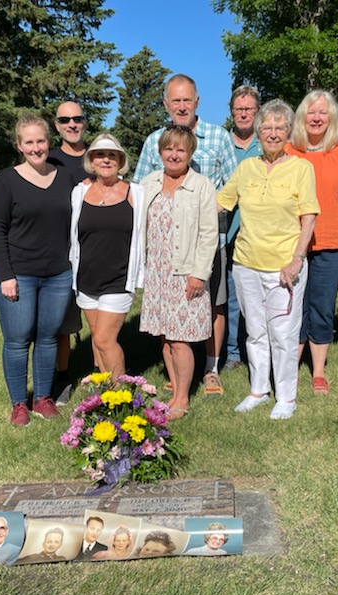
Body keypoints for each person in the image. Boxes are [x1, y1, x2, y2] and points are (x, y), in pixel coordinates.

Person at [134, 73, 238, 398]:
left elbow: (233, 187)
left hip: (209, 242)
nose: (181, 106)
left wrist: (208, 211)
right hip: (163, 257)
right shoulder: (154, 141)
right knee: (169, 324)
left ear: (197, 102)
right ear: (166, 103)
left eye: (186, 100)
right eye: (175, 100)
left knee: (213, 306)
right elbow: (137, 192)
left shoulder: (218, 137)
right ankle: (178, 376)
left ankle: (210, 369)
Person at [217, 99, 319, 420]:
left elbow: (309, 217)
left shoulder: (301, 168)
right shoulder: (246, 168)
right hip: (246, 263)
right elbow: (220, 203)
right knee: (255, 332)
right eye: (267, 127)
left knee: (284, 334)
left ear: (289, 132)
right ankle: (258, 391)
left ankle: (286, 397)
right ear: (258, 131)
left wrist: (297, 259)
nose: (273, 133)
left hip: (284, 267)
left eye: (279, 128)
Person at [0, 113, 75, 427]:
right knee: (17, 340)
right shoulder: (7, 180)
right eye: (29, 142)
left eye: (40, 141)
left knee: (48, 337)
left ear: (49, 142)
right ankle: (18, 403)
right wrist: (6, 275)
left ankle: (42, 398)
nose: (36, 147)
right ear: (19, 145)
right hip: (18, 273)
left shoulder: (65, 178)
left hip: (58, 274)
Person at [139, 125, 218, 419]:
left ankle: (183, 398)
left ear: (190, 153)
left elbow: (209, 234)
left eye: (180, 150)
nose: (174, 155)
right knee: (165, 336)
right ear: (160, 151)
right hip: (156, 272)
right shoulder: (148, 183)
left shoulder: (202, 186)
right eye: (168, 148)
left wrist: (199, 274)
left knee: (180, 339)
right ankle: (174, 389)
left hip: (185, 272)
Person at [286, 90, 338, 395]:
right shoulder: (289, 151)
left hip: (334, 240)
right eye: (311, 112)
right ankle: (290, 368)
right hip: (294, 243)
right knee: (294, 305)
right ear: (302, 117)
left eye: (322, 112)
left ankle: (318, 372)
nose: (316, 118)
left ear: (331, 118)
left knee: (321, 304)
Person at [70, 134, 144, 382]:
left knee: (104, 339)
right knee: (97, 339)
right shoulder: (79, 192)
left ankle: (121, 395)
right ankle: (105, 394)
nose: (106, 160)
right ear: (91, 160)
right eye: (100, 155)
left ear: (120, 161)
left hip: (119, 279)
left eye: (112, 155)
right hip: (86, 278)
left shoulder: (136, 192)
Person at [48, 101, 89, 404]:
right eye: (65, 120)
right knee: (61, 323)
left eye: (76, 118)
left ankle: (103, 374)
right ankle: (62, 377)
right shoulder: (48, 160)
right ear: (57, 125)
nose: (71, 124)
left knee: (101, 321)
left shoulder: (98, 156)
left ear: (85, 121)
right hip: (60, 253)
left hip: (96, 251)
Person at [225, 85, 263, 372]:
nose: (243, 114)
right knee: (231, 296)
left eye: (248, 108)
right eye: (239, 109)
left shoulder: (268, 143)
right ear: (231, 112)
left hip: (260, 232)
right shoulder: (223, 143)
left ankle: (259, 348)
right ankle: (232, 352)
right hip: (228, 231)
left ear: (257, 111)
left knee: (258, 296)